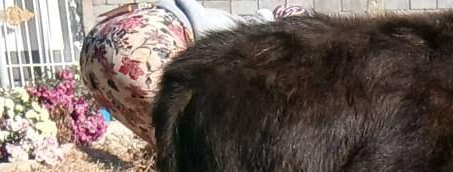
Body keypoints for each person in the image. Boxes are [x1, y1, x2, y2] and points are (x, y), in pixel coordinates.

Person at [79, 0, 308, 147]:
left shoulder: (238, 22)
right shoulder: (262, 39)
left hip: (98, 44)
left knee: (172, 152)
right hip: (150, 39)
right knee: (185, 151)